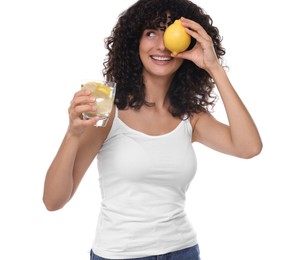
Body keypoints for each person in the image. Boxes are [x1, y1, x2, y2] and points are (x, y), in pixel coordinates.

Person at [42, 0, 263, 259]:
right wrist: (72, 134)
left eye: (170, 33)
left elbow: (249, 147)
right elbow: (53, 201)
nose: (162, 45)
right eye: (150, 33)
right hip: (119, 255)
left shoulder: (190, 117)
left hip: (183, 251)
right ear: (134, 43)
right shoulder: (107, 109)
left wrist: (214, 67)